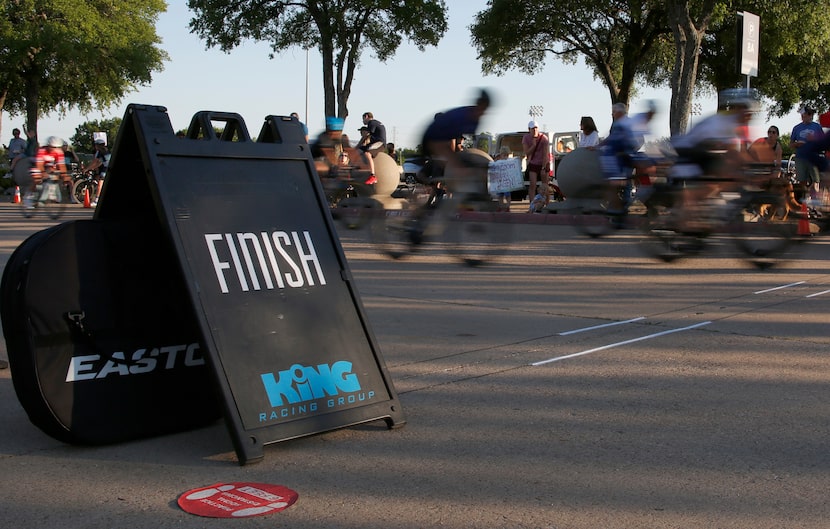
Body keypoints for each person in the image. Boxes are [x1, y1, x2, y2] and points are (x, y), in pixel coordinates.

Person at [420, 89, 492, 197]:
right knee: (457, 165)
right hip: (432, 141)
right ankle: (436, 189)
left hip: (440, 143)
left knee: (466, 164)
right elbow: (449, 145)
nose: (482, 113)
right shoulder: (460, 117)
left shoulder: (474, 121)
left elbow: (462, 143)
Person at [25, 136, 68, 210]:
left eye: (56, 147)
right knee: (37, 179)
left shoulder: (59, 152)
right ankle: (29, 197)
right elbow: (39, 165)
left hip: (50, 168)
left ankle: (51, 193)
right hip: (36, 165)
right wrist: (43, 173)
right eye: (52, 147)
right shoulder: (42, 150)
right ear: (48, 145)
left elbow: (62, 166)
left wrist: (64, 175)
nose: (54, 149)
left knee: (56, 176)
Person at [789, 106, 823, 199]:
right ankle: (803, 204)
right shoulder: (796, 128)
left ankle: (815, 204)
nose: (809, 116)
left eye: (811, 114)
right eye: (807, 113)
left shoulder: (817, 127)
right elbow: (791, 145)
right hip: (800, 157)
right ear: (802, 115)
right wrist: (797, 144)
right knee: (802, 181)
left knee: (815, 181)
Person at [522, 120, 550, 211]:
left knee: (545, 185)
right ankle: (532, 205)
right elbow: (526, 152)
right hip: (533, 163)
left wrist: (543, 167)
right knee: (532, 184)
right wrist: (533, 145)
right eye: (533, 129)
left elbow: (546, 154)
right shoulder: (526, 138)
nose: (535, 130)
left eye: (536, 128)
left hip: (543, 162)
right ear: (529, 129)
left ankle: (547, 204)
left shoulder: (544, 138)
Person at [82, 138, 110, 206]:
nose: (95, 147)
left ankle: (97, 200)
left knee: (100, 183)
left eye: (95, 145)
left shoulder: (99, 152)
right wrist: (94, 167)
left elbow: (94, 161)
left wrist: (87, 169)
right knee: (100, 181)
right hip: (106, 167)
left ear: (98, 146)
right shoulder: (106, 151)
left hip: (106, 169)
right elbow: (100, 162)